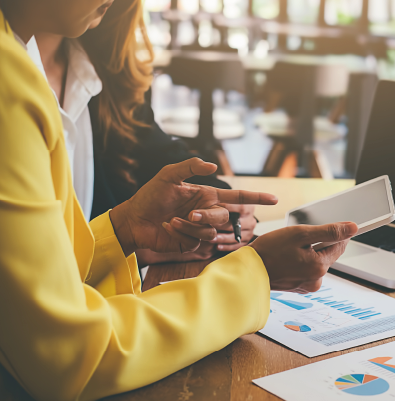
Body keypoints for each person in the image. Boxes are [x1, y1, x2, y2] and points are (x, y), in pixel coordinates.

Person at [0, 1, 359, 400]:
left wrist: (119, 230)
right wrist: (256, 272)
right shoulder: (12, 81)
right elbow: (68, 356)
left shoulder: (43, 63)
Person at [29, 0, 252, 264]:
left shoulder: (107, 72)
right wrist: (136, 249)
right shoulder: (14, 78)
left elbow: (159, 155)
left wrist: (221, 206)